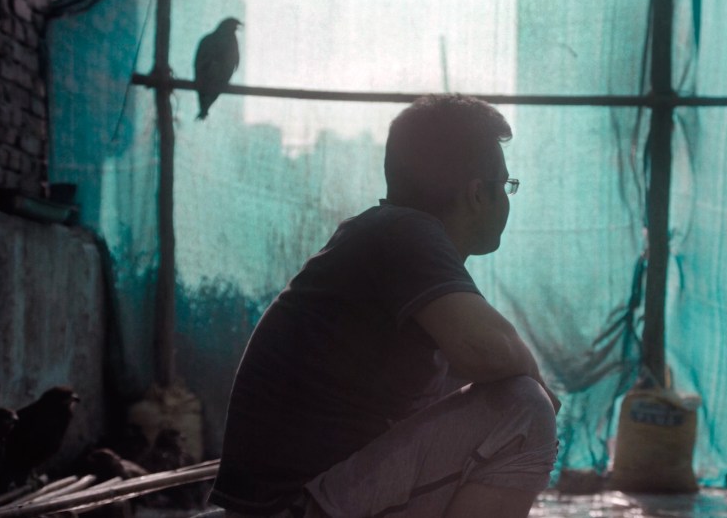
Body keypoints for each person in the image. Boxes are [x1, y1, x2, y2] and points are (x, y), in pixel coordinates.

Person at [210, 94, 560, 518]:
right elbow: (488, 351)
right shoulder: (404, 234)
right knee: (524, 409)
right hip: (293, 507)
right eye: (505, 185)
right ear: (477, 195)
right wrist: (537, 379)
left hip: (299, 501)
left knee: (472, 391)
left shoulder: (387, 236)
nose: (508, 198)